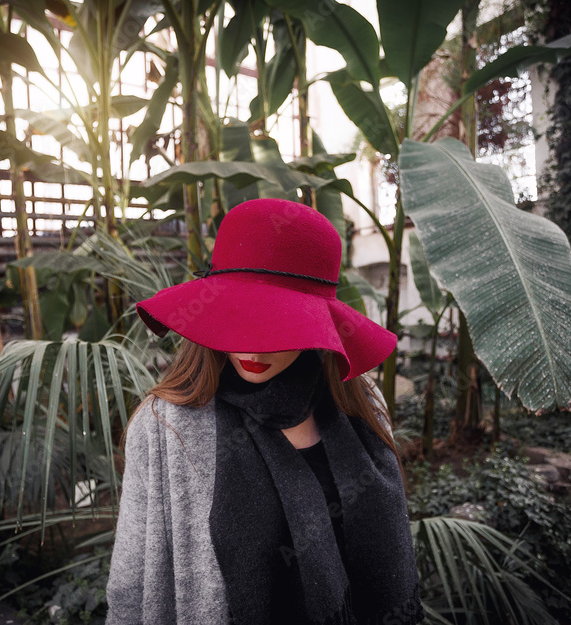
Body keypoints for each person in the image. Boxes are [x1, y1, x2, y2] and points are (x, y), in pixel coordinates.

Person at [105, 198, 423, 624]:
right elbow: (130, 586)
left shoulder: (360, 403)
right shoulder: (166, 425)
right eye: (241, 317)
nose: (253, 348)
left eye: (278, 324)